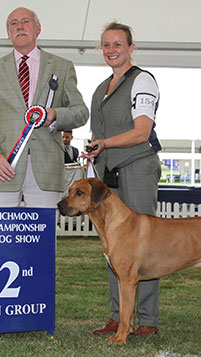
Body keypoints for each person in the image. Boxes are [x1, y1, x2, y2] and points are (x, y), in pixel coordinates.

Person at [81, 22, 161, 337]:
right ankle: (119, 318)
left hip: (137, 167)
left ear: (130, 48)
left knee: (146, 248)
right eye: (106, 45)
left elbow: (142, 131)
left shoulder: (142, 80)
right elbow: (97, 135)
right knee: (114, 247)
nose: (111, 50)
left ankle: (147, 320)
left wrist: (106, 143)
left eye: (117, 44)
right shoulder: (101, 88)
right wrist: (93, 153)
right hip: (108, 173)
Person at [0, 7, 89, 208]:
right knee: (2, 239)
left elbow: (81, 112)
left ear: (38, 28)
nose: (20, 27)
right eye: (13, 23)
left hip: (47, 170)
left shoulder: (62, 66)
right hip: (4, 169)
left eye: (25, 22)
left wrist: (55, 115)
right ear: (8, 33)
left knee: (43, 237)